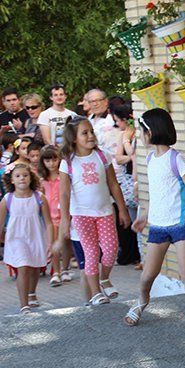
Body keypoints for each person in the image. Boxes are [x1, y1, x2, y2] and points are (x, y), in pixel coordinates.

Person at [124, 108, 185, 337]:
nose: (140, 135)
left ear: (151, 131)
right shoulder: (151, 159)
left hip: (182, 225)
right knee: (148, 275)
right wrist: (143, 216)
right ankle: (141, 301)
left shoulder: (176, 158)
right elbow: (157, 193)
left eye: (142, 131)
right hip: (158, 226)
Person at [57, 116, 130, 305]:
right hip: (82, 215)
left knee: (111, 249)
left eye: (91, 131)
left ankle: (104, 278)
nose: (90, 136)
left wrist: (122, 209)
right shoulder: (68, 161)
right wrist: (66, 220)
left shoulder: (102, 155)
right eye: (85, 133)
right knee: (91, 253)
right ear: (73, 138)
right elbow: (64, 194)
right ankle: (96, 292)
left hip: (105, 212)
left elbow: (113, 184)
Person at [0, 163, 53, 313]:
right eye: (17, 176)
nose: (22, 178)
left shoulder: (39, 197)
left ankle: (32, 293)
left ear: (31, 178)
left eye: (25, 175)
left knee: (35, 266)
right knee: (23, 267)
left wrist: (50, 241)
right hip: (16, 238)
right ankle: (24, 304)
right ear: (11, 180)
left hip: (35, 236)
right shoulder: (7, 199)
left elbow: (48, 223)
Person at [111, 104, 140, 266]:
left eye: (118, 121)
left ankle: (141, 256)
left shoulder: (137, 134)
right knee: (132, 219)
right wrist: (132, 157)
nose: (117, 125)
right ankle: (136, 254)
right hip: (129, 178)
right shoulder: (124, 135)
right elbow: (119, 158)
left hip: (136, 179)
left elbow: (127, 155)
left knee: (138, 219)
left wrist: (130, 153)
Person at [40, 145, 73, 285]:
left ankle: (65, 268)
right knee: (52, 243)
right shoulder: (43, 180)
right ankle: (56, 271)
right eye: (47, 161)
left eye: (54, 160)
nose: (51, 164)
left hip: (64, 214)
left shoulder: (63, 177)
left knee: (65, 243)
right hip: (49, 217)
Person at [86, 89, 119, 159]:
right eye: (91, 101)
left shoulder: (113, 119)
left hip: (112, 162)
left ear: (106, 101)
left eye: (98, 100)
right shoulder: (89, 119)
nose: (95, 104)